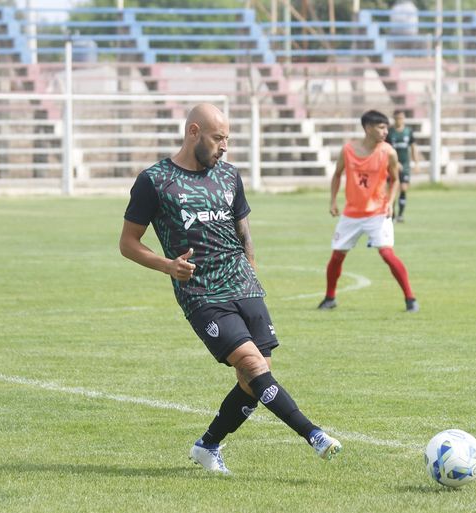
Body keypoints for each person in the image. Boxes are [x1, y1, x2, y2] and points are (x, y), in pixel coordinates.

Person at [119, 103, 341, 475]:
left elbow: (244, 231)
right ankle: (314, 434)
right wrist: (169, 266)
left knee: (255, 378)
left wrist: (251, 273)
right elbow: (128, 242)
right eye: (218, 137)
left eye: (227, 138)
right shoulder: (155, 181)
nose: (225, 146)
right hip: (202, 294)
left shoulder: (228, 176)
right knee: (253, 365)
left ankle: (207, 445)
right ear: (193, 132)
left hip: (244, 285)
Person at [318, 109, 418, 313]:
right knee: (337, 256)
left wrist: (390, 202)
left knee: (387, 254)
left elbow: (395, 180)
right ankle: (330, 298)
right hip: (351, 214)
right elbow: (337, 175)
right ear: (368, 128)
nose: (385, 131)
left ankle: (410, 299)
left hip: (377, 213)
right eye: (381, 127)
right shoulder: (348, 150)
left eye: (386, 127)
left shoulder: (388, 151)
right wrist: (333, 201)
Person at [386, 109, 420, 223]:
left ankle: (400, 215)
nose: (399, 120)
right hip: (392, 165)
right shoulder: (389, 132)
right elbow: (386, 149)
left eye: (401, 118)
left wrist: (416, 163)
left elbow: (413, 147)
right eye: (397, 118)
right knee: (392, 190)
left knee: (404, 188)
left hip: (405, 165)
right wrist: (395, 162)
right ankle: (393, 214)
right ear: (394, 119)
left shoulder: (408, 131)